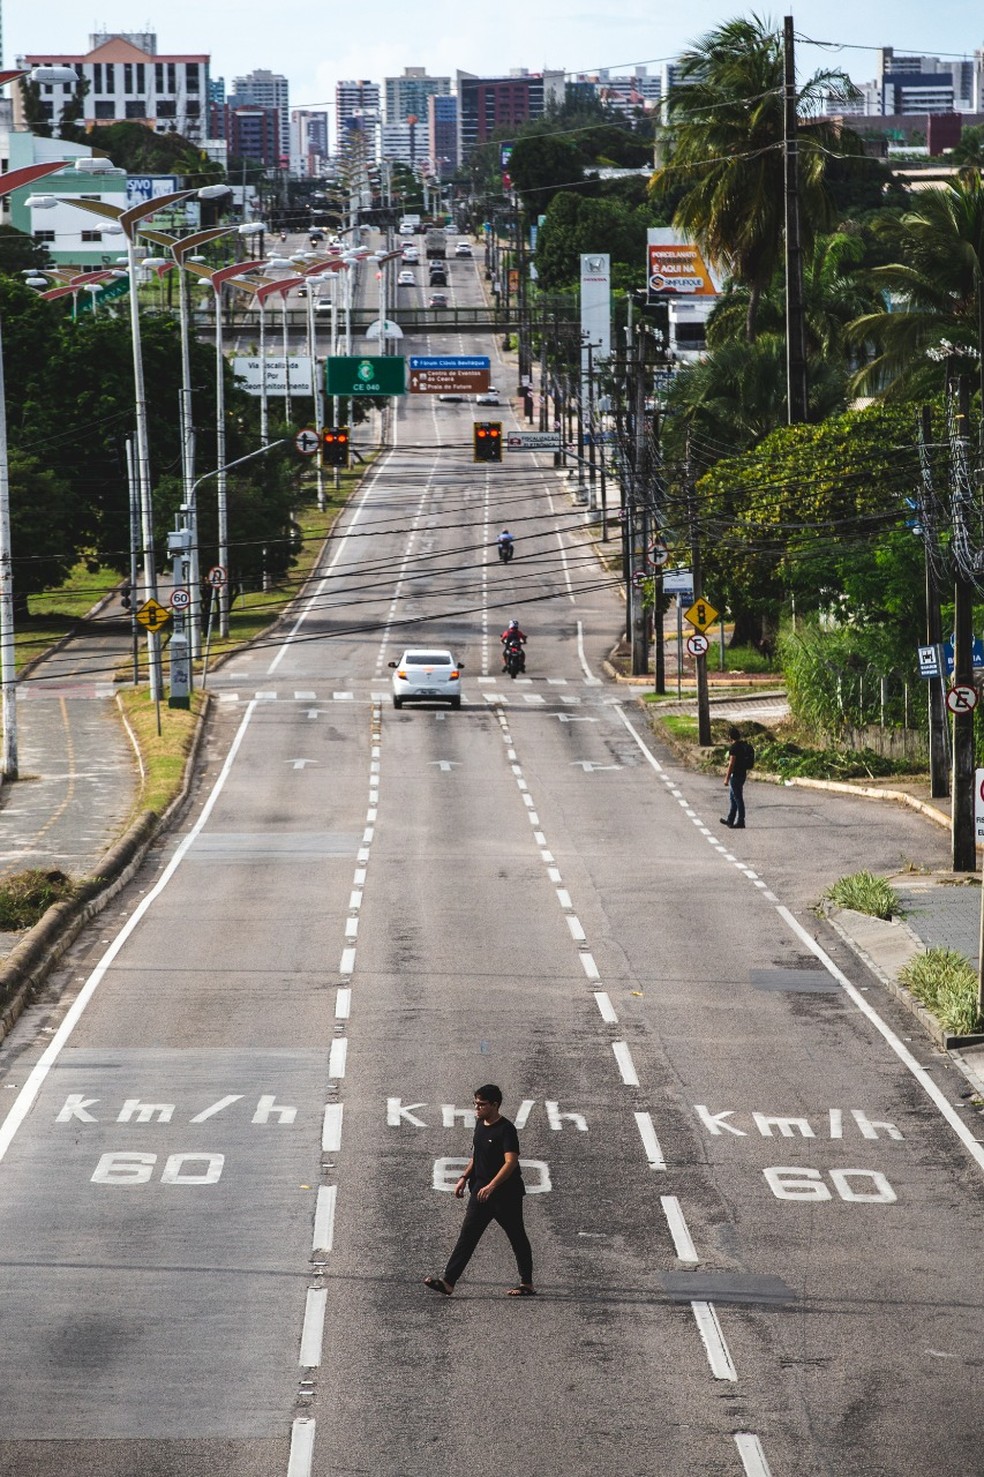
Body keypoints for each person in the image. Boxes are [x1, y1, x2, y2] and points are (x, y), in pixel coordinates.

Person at [424, 1085, 535, 1298]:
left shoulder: (506, 1129)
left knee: (517, 1236)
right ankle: (448, 1282)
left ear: (495, 1105)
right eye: (475, 1103)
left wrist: (492, 1185)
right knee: (467, 1236)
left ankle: (527, 1283)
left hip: (505, 1195)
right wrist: (464, 1177)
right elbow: (477, 1156)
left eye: (482, 1105)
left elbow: (511, 1162)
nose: (477, 1108)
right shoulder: (480, 1124)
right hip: (480, 1192)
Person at [721, 725, 753, 829]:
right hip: (742, 774)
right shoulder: (743, 746)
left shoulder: (734, 748)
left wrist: (726, 778)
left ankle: (741, 821)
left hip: (735, 776)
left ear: (730, 737)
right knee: (733, 798)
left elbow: (731, 764)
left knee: (738, 799)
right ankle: (730, 820)